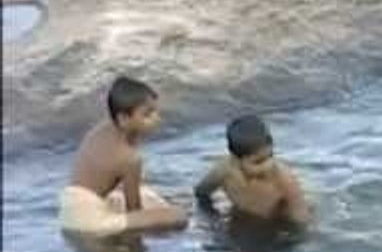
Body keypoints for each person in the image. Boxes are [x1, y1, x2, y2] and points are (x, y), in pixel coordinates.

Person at [59, 76, 188, 236]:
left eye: (156, 111)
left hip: (70, 205)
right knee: (178, 216)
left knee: (151, 196)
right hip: (91, 222)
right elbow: (134, 209)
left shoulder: (103, 130)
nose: (157, 118)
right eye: (147, 115)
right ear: (123, 119)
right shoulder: (130, 158)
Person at [194, 114, 309, 225]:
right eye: (258, 162)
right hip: (243, 221)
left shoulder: (283, 178)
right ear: (235, 159)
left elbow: (301, 218)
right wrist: (214, 221)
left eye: (270, 156)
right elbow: (201, 193)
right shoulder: (224, 170)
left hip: (276, 226)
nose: (268, 165)